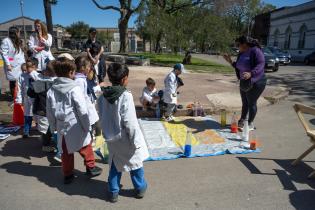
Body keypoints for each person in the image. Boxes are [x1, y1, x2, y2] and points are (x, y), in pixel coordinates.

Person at [98, 63, 149, 203]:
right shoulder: (125, 96)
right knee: (135, 163)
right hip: (126, 138)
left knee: (115, 164)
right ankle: (140, 188)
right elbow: (130, 123)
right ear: (124, 79)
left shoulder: (102, 96)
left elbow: (101, 116)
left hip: (111, 138)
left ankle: (113, 191)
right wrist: (135, 141)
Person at [46, 58, 102, 184]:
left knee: (66, 152)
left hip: (62, 126)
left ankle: (68, 174)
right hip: (76, 124)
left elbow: (49, 112)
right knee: (85, 146)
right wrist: (86, 125)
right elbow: (82, 111)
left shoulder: (51, 90)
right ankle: (91, 167)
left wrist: (53, 126)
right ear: (71, 72)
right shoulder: (74, 89)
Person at [223, 36, 266, 130]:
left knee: (251, 102)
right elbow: (239, 67)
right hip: (244, 81)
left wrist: (251, 73)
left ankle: (250, 123)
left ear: (244, 44)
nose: (237, 47)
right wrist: (230, 61)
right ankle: (243, 120)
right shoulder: (241, 53)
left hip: (257, 81)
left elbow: (261, 65)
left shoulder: (255, 51)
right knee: (245, 102)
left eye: (238, 45)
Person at [27, 61, 56, 152]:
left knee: (46, 127)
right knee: (49, 127)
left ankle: (46, 141)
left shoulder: (39, 79)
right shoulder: (57, 80)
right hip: (48, 108)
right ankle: (45, 144)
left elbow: (30, 92)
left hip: (42, 108)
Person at [16, 57, 39, 138]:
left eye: (30, 67)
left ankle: (39, 128)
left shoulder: (38, 75)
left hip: (36, 99)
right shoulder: (22, 76)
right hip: (26, 99)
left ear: (35, 67)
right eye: (27, 66)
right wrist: (19, 99)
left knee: (37, 115)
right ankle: (26, 131)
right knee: (27, 115)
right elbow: (19, 88)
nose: (28, 69)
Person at [1, 26, 25, 99]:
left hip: (20, 64)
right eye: (18, 32)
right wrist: (8, 64)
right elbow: (4, 53)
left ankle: (19, 96)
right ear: (15, 32)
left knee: (20, 80)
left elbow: (20, 53)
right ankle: (14, 99)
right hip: (12, 65)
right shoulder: (6, 41)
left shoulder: (18, 40)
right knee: (13, 81)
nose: (19, 33)